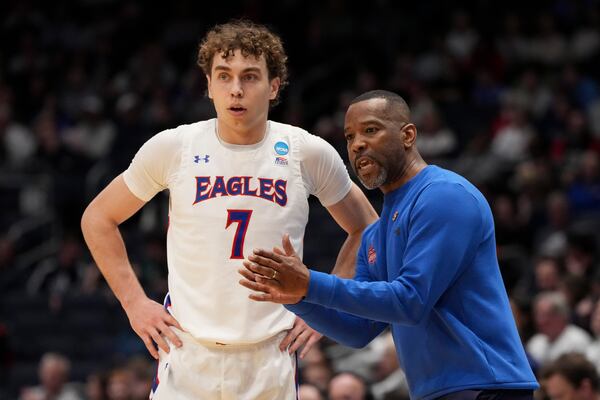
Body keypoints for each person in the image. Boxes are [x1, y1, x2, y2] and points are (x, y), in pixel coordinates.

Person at [80, 20, 377, 400]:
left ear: (274, 86)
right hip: (187, 352)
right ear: (208, 84)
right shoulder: (175, 147)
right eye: (224, 76)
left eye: (250, 77)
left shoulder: (307, 151)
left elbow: (367, 227)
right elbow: (98, 218)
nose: (235, 89)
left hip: (271, 354)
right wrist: (134, 302)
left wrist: (328, 304)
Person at [239, 90, 539, 399]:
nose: (358, 144)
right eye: (350, 136)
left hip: (487, 385)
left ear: (408, 135)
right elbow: (358, 330)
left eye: (371, 130)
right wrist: (296, 295)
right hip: (439, 391)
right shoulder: (375, 233)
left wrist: (311, 283)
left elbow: (411, 301)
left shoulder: (444, 195)